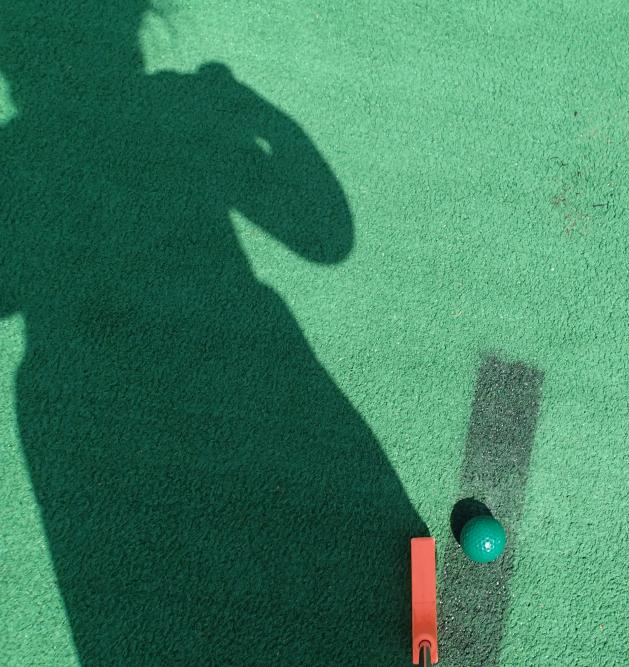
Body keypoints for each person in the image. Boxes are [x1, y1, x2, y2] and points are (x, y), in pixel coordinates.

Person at [0, 2, 424, 663]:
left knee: (159, 624)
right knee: (391, 577)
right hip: (245, 373)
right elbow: (325, 235)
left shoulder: (14, 158)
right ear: (129, 33)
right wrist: (248, 105)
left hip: (89, 411)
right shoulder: (178, 107)